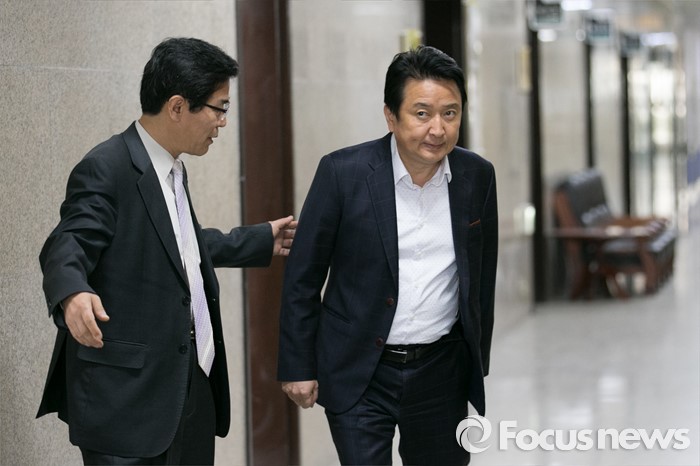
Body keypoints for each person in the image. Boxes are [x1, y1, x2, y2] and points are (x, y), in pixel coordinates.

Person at [37, 37, 296, 465]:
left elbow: (177, 246)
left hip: (188, 387)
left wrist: (257, 240)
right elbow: (68, 242)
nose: (223, 122)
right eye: (219, 108)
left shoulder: (172, 168)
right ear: (177, 107)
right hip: (127, 404)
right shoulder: (107, 167)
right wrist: (72, 293)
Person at [277, 45, 498, 465]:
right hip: (359, 368)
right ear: (390, 116)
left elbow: (482, 276)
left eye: (450, 113)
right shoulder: (343, 173)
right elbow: (303, 277)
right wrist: (297, 365)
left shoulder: (476, 176)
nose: (437, 129)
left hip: (441, 369)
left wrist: (475, 361)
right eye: (422, 113)